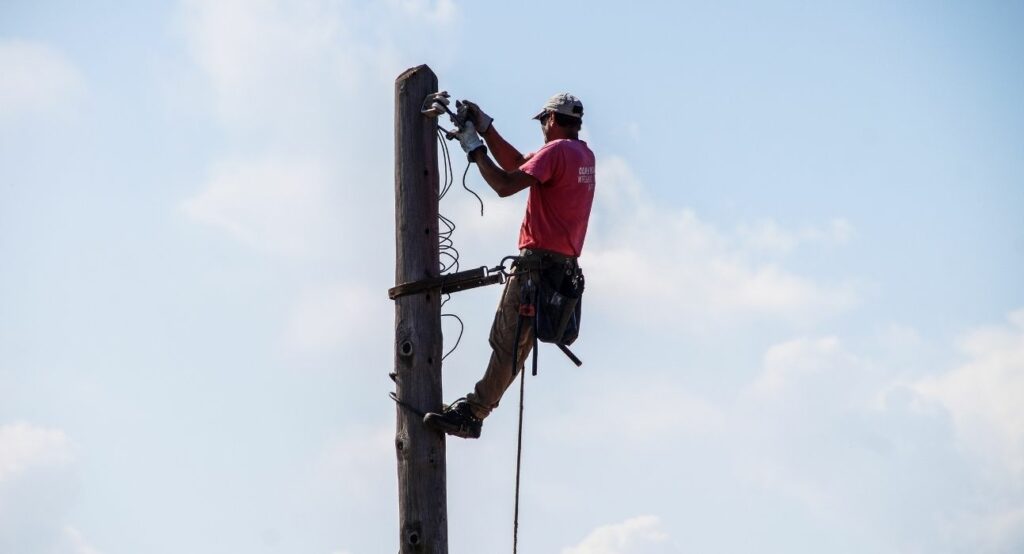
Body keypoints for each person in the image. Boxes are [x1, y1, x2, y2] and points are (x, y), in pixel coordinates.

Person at [423, 93, 596, 439]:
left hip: (537, 270)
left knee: (506, 342)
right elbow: (518, 162)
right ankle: (476, 410)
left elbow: (504, 184)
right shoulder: (581, 154)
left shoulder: (557, 152)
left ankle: (473, 413)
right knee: (513, 346)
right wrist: (486, 129)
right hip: (559, 271)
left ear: (551, 119)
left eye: (543, 123)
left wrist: (474, 147)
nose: (543, 131)